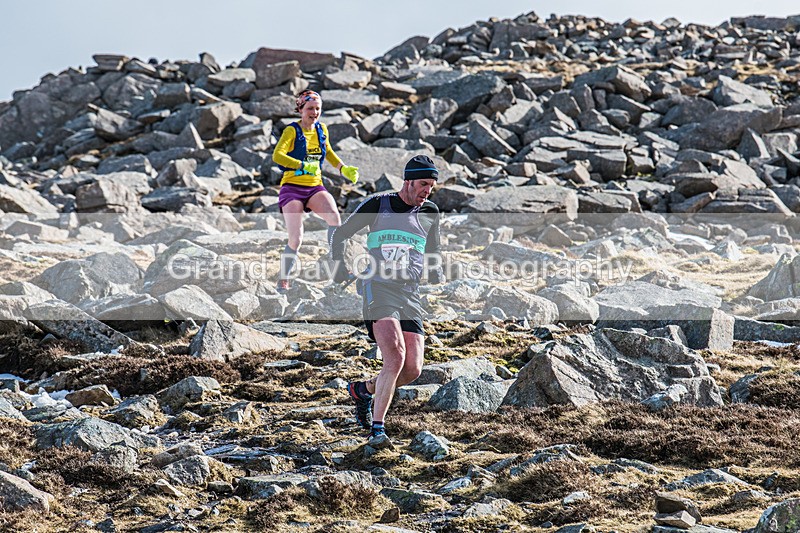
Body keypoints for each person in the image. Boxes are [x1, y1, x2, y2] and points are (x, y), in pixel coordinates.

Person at [330, 155, 444, 443]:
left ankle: (363, 390)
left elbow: (433, 250)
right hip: (378, 287)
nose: (426, 191)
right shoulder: (378, 205)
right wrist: (341, 267)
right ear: (407, 181)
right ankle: (377, 431)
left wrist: (435, 273)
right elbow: (340, 234)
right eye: (422, 184)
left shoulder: (430, 211)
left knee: (412, 369)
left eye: (431, 186)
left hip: (410, 294)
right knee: (394, 356)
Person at [271, 89, 360, 293]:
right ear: (300, 109)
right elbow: (278, 156)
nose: (315, 112)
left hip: (314, 187)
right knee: (296, 238)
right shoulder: (291, 131)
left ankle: (340, 272)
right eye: (310, 108)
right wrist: (301, 166)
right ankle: (283, 280)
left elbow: (327, 151)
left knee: (335, 219)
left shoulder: (322, 129)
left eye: (318, 108)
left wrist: (343, 168)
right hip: (292, 189)